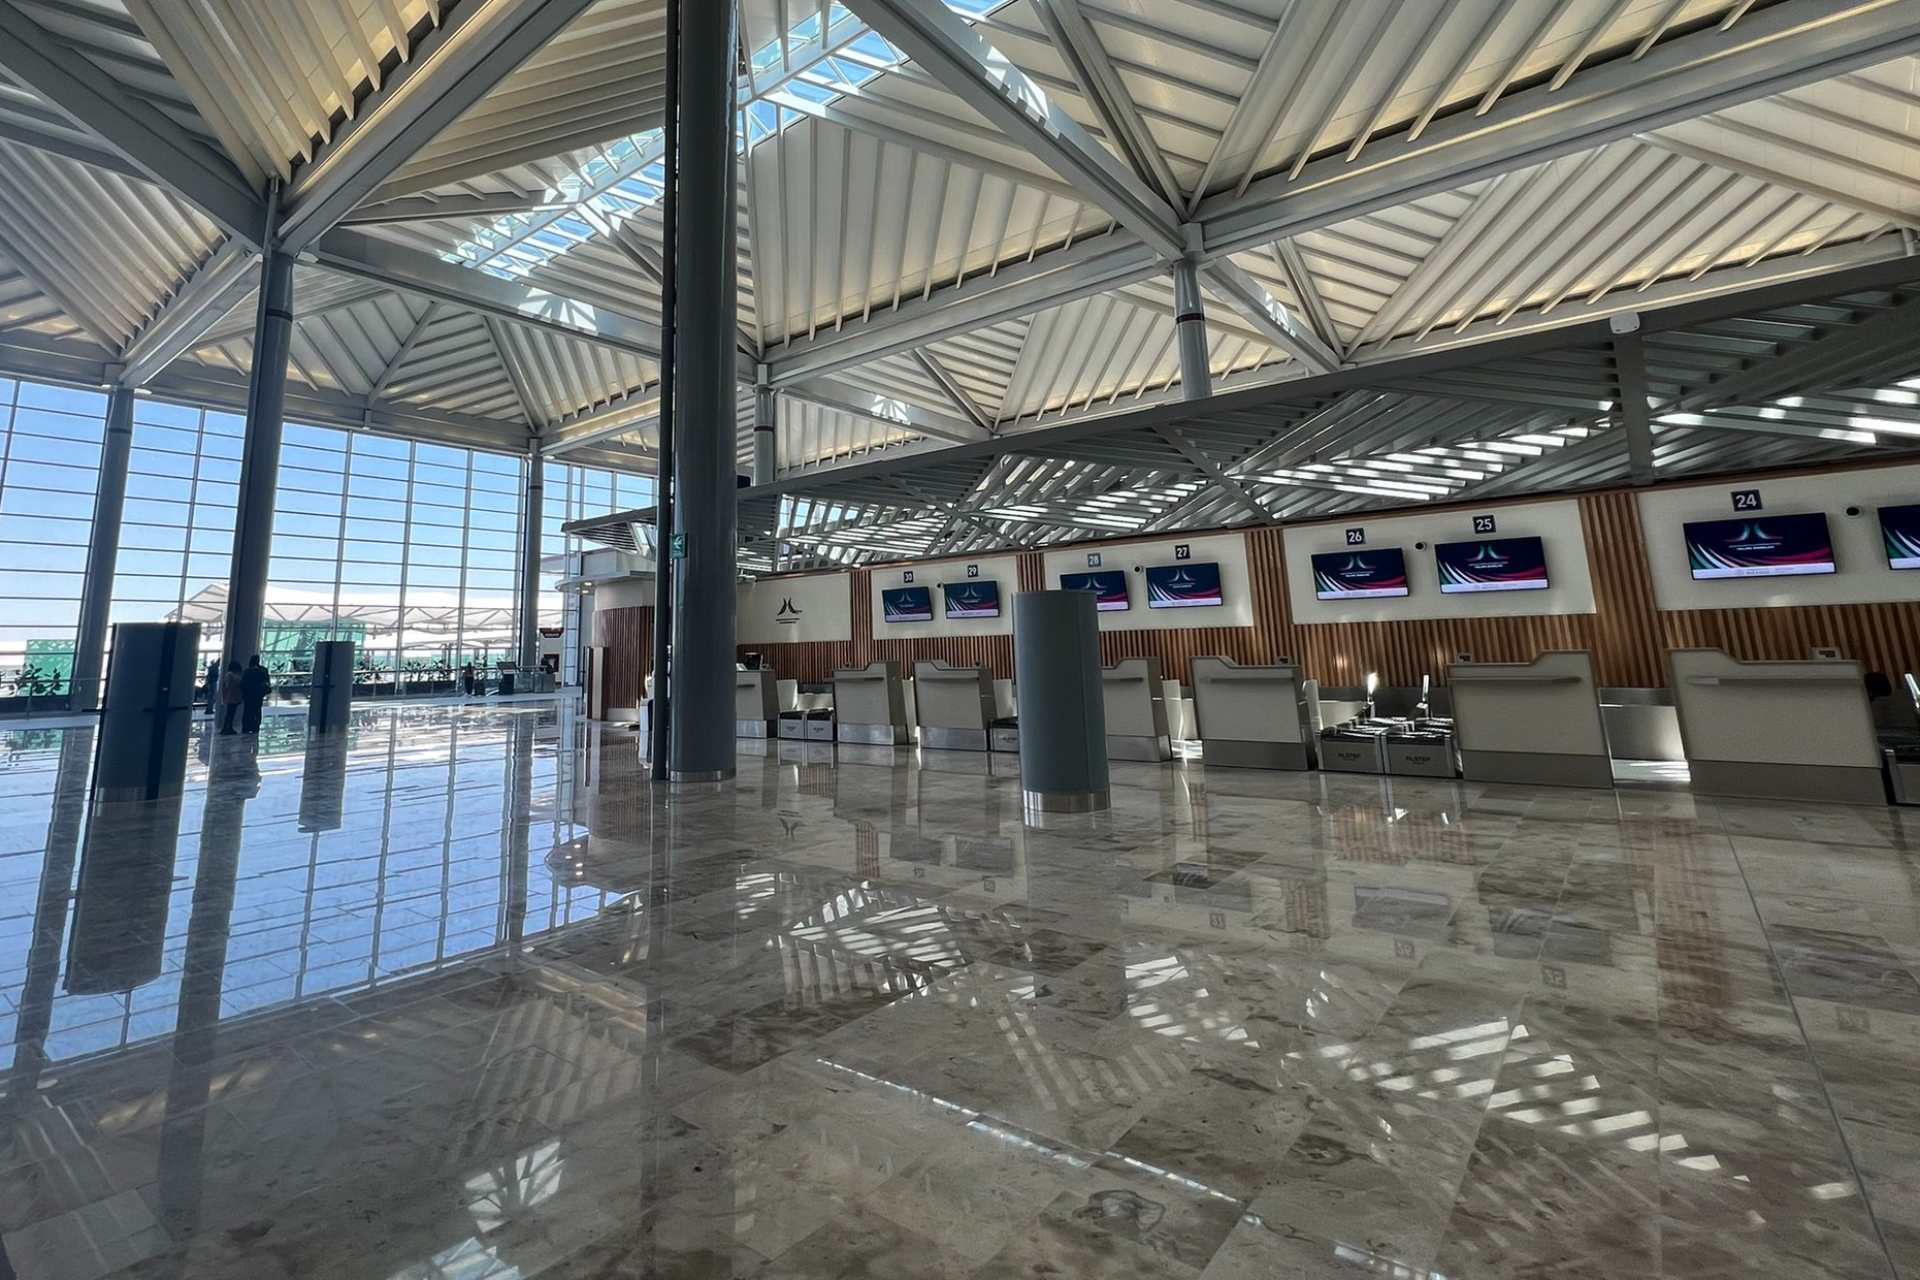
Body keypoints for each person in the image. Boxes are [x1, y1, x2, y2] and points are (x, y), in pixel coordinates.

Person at [240, 654, 272, 735]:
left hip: (248, 695)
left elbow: (243, 683)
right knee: (257, 710)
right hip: (258, 694)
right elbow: (266, 682)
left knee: (247, 711)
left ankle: (246, 727)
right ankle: (255, 727)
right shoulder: (263, 671)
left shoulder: (247, 671)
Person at [218, 660, 243, 735]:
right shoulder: (230, 675)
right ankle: (226, 728)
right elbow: (228, 685)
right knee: (230, 713)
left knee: (231, 713)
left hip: (233, 696)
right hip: (231, 696)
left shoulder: (231, 674)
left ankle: (228, 727)